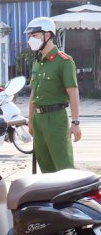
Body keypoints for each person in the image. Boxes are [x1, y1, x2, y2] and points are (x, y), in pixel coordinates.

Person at [25, 16, 82, 173]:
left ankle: (68, 197)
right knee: (45, 167)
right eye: (30, 36)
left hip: (56, 118)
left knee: (63, 166)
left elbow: (73, 92)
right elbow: (33, 95)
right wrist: (30, 121)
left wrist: (76, 122)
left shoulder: (64, 61)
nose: (31, 40)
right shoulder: (38, 62)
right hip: (38, 119)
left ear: (47, 35)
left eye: (35, 36)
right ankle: (50, 197)